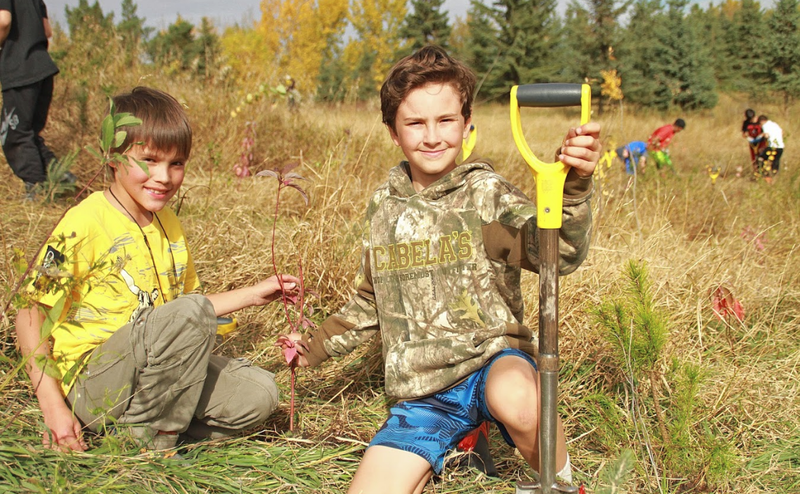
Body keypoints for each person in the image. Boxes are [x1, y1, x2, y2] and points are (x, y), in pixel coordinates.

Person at [280, 45, 600, 493]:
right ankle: (464, 442)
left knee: (522, 403)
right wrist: (310, 347)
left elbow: (558, 254)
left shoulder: (485, 194)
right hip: (423, 393)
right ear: (393, 131)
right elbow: (370, 301)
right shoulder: (384, 209)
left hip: (493, 364)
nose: (432, 136)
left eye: (445, 120)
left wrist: (574, 188)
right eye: (415, 123)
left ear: (467, 125)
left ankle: (562, 484)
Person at [15, 87, 299, 453]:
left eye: (176, 163)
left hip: (151, 380)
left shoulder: (169, 224)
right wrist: (53, 408)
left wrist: (251, 295)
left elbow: (185, 312)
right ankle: (152, 444)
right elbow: (29, 312)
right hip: (94, 380)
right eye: (148, 160)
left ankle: (134, 430)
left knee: (260, 395)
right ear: (114, 157)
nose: (163, 177)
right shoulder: (83, 222)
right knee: (191, 313)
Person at [0, 0, 63, 199]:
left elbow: (3, 21)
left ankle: (35, 190)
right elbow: (47, 31)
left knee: (14, 133)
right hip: (43, 67)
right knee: (30, 133)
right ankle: (62, 177)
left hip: (20, 70)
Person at [757, 115, 784, 183]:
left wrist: (760, 137)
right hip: (780, 146)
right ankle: (774, 178)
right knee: (775, 162)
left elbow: (766, 135)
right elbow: (782, 132)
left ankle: (764, 176)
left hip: (772, 147)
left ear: (762, 121)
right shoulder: (775, 124)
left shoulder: (765, 125)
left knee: (760, 159)